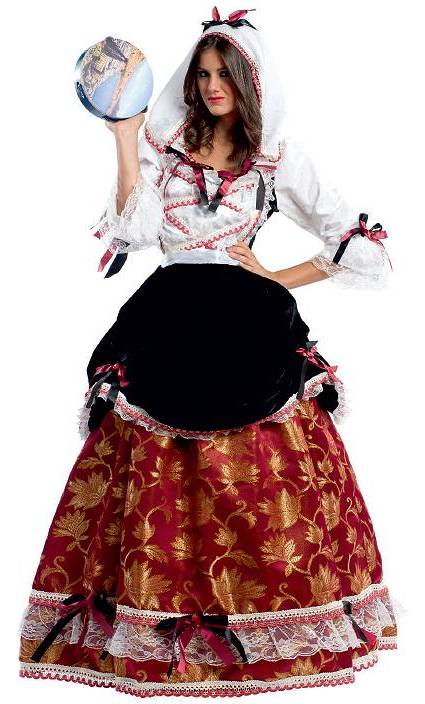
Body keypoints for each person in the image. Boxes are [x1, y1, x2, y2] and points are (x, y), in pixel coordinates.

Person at [18, 6, 398, 698]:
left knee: (262, 492)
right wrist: (125, 136)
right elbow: (133, 232)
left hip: (250, 329)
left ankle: (262, 632)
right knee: (157, 482)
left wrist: (278, 277)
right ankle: (163, 631)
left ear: (251, 82)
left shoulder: (276, 159)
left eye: (224, 73)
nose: (212, 85)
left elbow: (360, 245)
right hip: (166, 322)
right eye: (202, 73)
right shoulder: (164, 152)